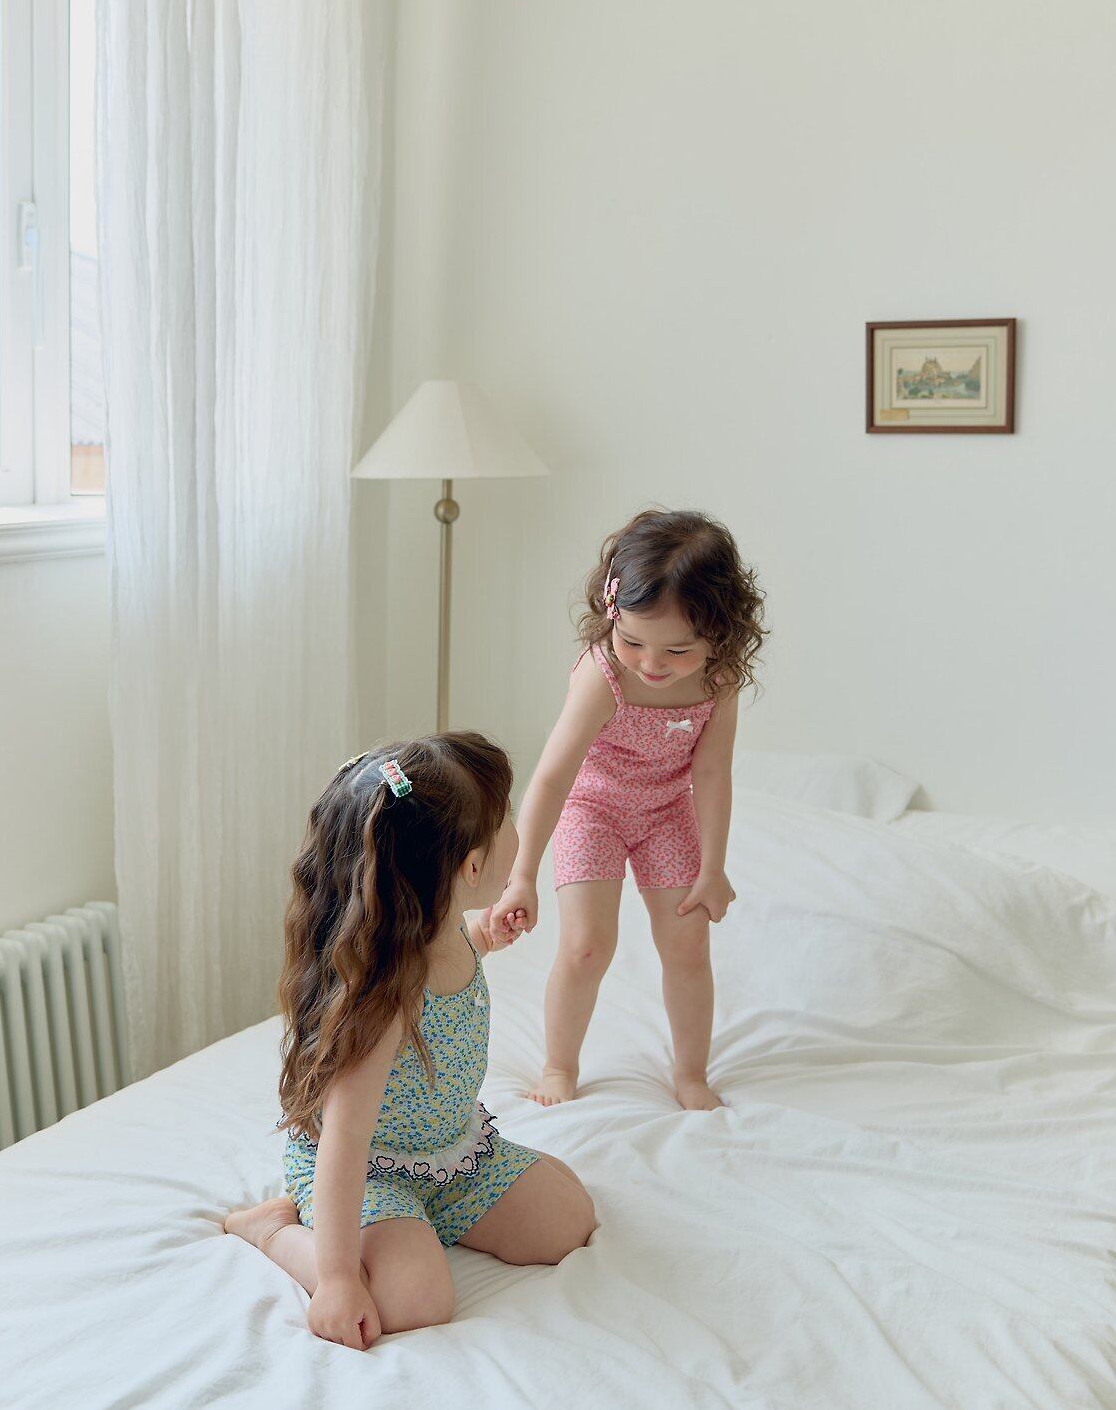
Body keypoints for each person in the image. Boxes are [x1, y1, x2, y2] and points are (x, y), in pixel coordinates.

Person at [226, 732, 596, 1348]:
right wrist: (337, 1278)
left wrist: (486, 936)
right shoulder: (383, 1000)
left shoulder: (441, 931)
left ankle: (432, 1221)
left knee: (569, 1220)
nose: (516, 830)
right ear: (471, 869)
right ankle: (271, 1229)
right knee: (414, 1300)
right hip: (370, 1171)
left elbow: (454, 956)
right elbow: (345, 1142)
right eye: (505, 820)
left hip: (453, 1151)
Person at [484, 509, 765, 1111]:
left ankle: (690, 1073)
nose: (652, 664)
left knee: (688, 947)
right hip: (594, 809)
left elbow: (712, 773)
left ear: (720, 634)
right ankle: (559, 1065)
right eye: (633, 640)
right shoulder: (603, 673)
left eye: (677, 650)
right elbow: (553, 777)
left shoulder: (718, 682)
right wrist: (522, 874)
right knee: (587, 945)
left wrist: (713, 867)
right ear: (613, 611)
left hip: (667, 812)